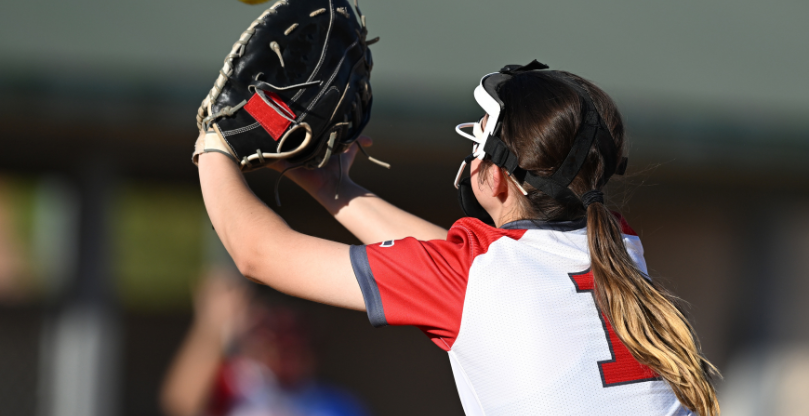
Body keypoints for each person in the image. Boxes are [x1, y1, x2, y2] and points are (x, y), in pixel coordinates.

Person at [197, 61, 720, 416]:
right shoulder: (620, 247)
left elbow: (257, 252)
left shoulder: (477, 277)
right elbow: (461, 266)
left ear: (494, 177)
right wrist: (334, 187)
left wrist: (213, 137)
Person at [160, 269, 370, 416]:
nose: (284, 350)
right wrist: (212, 328)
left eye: (294, 339)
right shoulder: (238, 383)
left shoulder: (336, 404)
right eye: (273, 336)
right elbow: (181, 404)